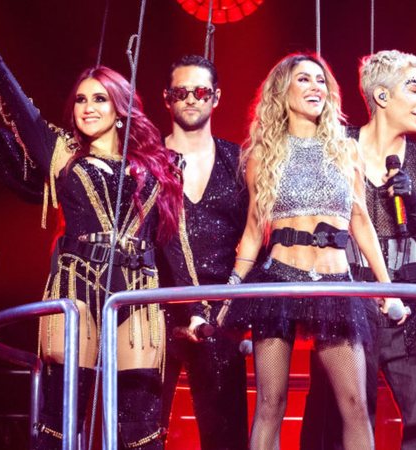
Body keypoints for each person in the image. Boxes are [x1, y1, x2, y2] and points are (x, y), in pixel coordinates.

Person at [0, 2, 182, 449]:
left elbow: (174, 239)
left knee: (140, 423)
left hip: (138, 288)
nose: (87, 107)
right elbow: (20, 108)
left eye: (99, 98)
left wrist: (198, 304)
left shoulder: (159, 164)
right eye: (81, 99)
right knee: (63, 415)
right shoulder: (62, 153)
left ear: (121, 107)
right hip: (77, 286)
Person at [224, 53, 404, 450]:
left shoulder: (346, 149)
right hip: (279, 281)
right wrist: (233, 287)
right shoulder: (263, 154)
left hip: (334, 284)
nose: (315, 87)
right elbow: (253, 229)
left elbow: (361, 222)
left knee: (354, 403)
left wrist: (387, 287)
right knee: (269, 404)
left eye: (321, 80)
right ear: (283, 90)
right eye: (304, 79)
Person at [300, 50, 416, 450]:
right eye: (414, 89)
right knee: (338, 423)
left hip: (409, 307)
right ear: (382, 96)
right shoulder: (334, 147)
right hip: (348, 299)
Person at [156, 54, 249, 449]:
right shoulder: (147, 161)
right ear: (167, 98)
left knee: (225, 436)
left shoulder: (238, 162)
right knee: (141, 433)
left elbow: (257, 236)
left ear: (216, 97)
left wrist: (237, 309)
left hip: (220, 316)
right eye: (181, 92)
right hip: (153, 313)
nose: (191, 99)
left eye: (200, 91)